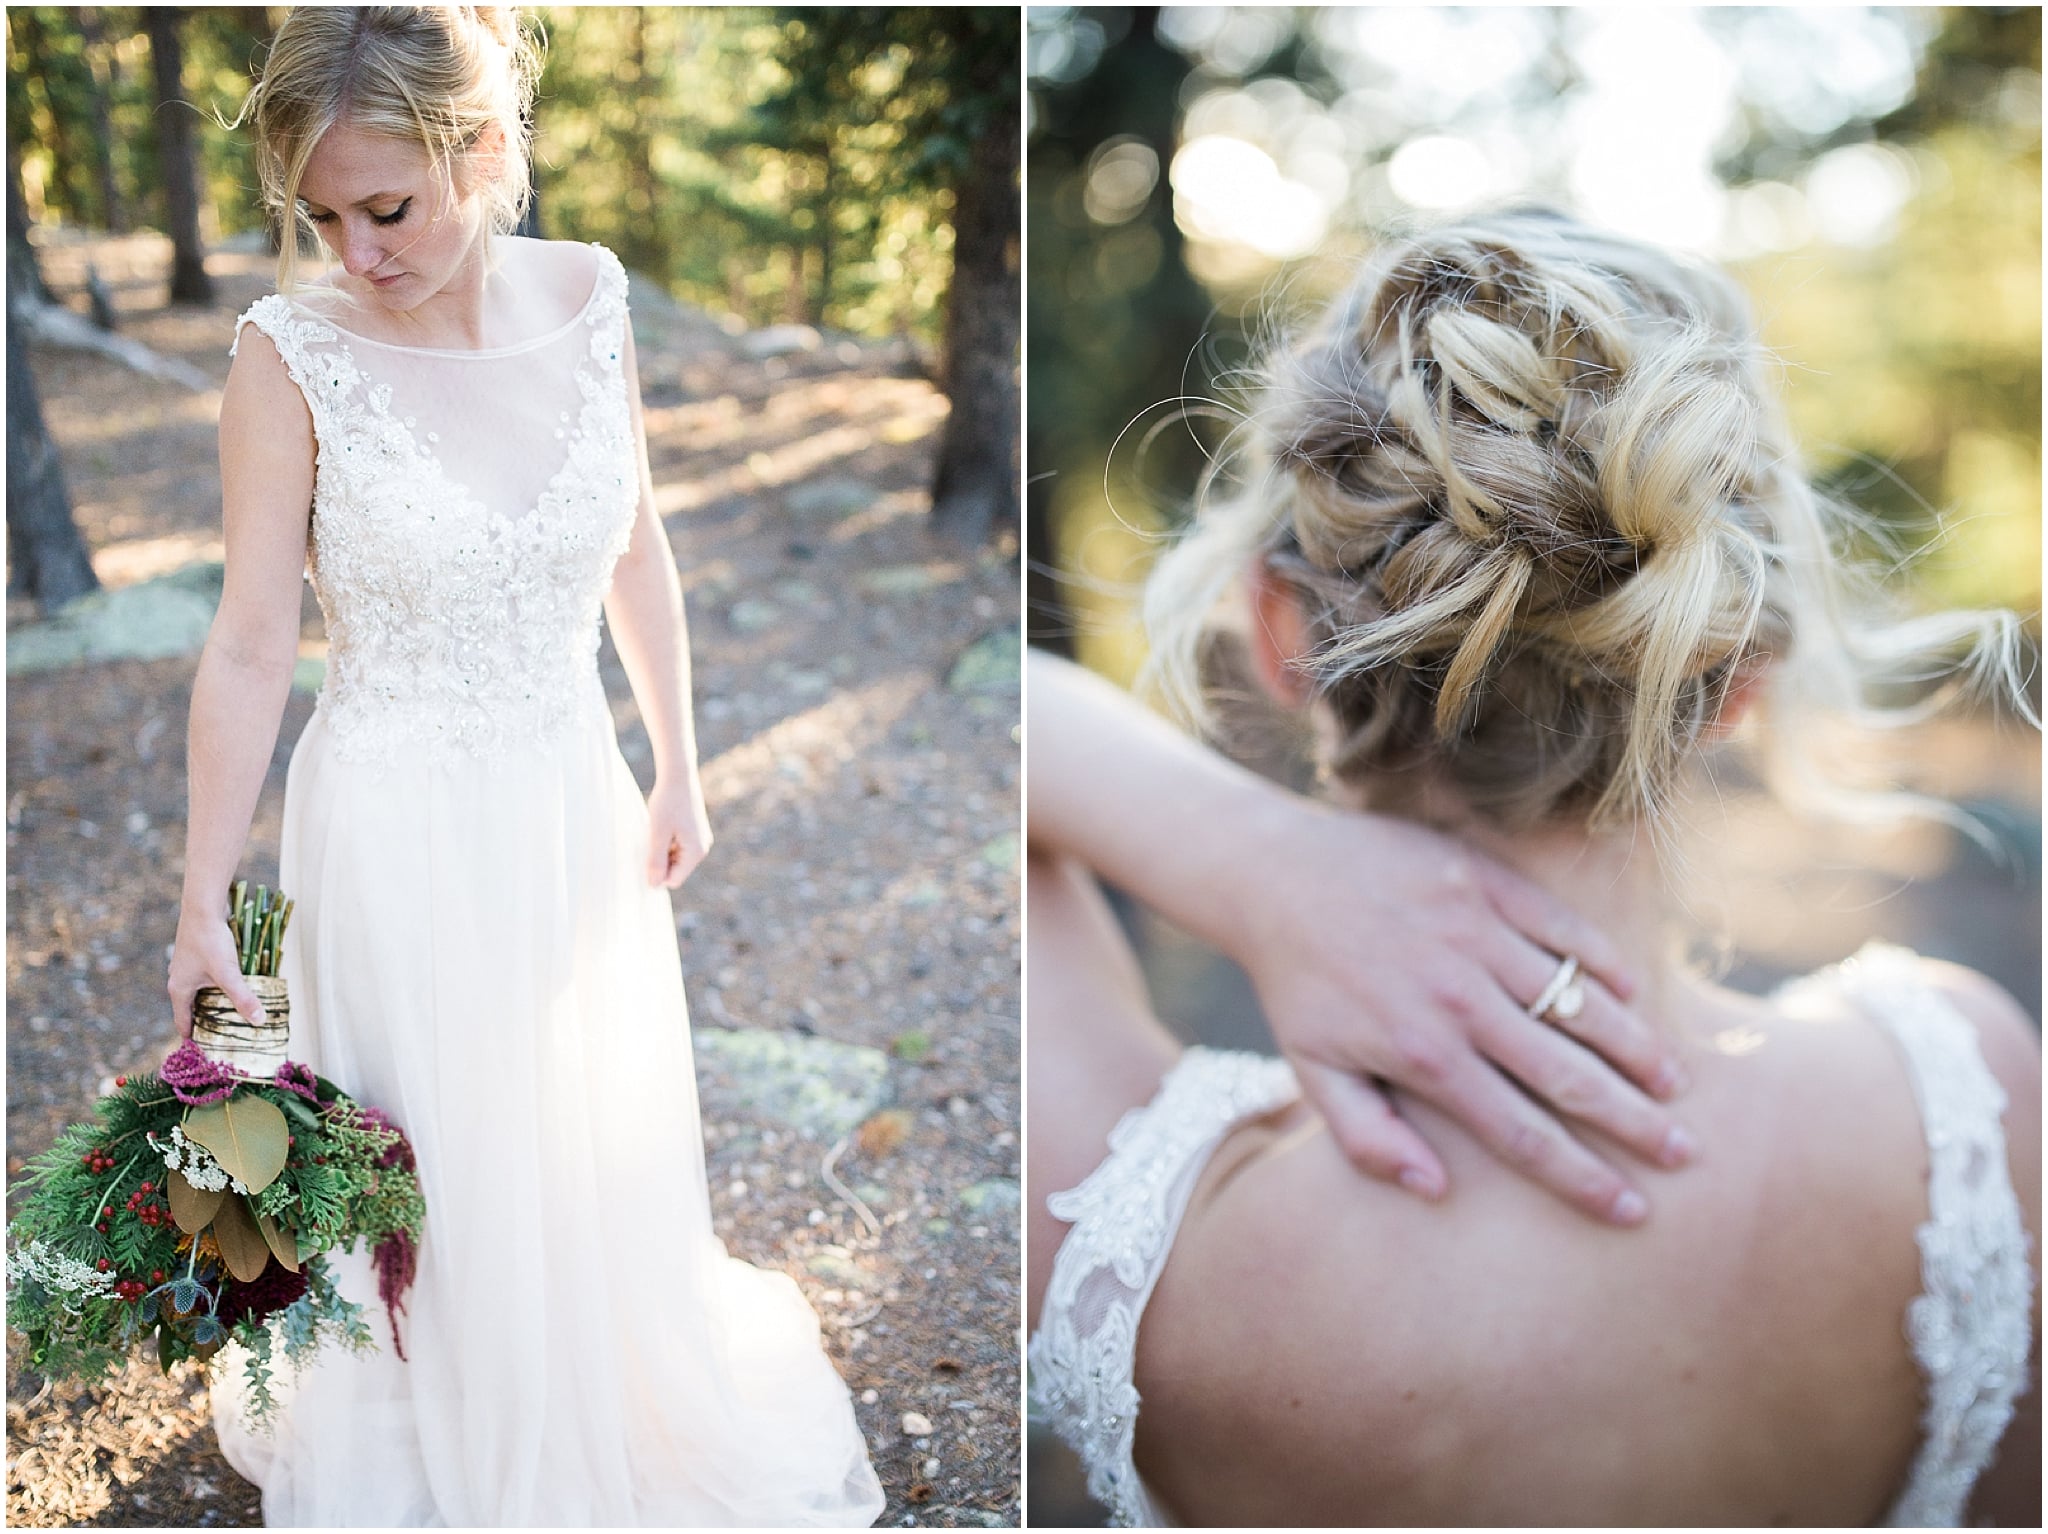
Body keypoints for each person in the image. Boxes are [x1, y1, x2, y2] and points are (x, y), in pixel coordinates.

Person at [1026, 208, 2041, 1526]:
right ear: (1737, 677)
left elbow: (1001, 724)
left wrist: (1258, 863)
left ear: (1279, 636)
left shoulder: (1160, 1238)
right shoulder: (1965, 1098)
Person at [166, 7, 884, 1525]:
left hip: (569, 799)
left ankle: (588, 1415)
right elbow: (245, 644)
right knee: (434, 1169)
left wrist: (678, 757)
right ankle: (441, 1446)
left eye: (388, 207)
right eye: (319, 216)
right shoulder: (287, 355)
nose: (355, 249)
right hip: (393, 827)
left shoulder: (592, 297)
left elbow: (634, 536)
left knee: (569, 1135)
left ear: (485, 152)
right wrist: (201, 902)